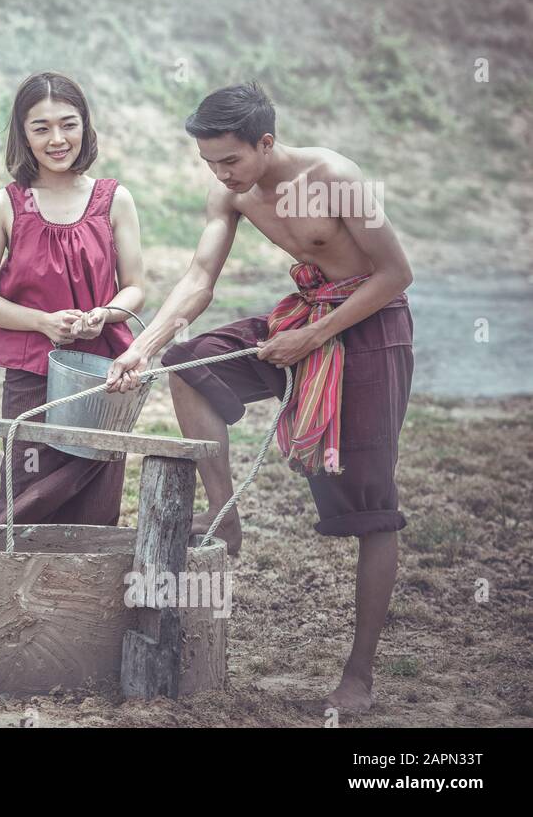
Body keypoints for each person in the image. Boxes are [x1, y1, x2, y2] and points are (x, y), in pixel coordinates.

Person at [104, 82, 414, 711]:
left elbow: (396, 274)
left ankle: (359, 674)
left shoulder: (336, 177)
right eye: (209, 162)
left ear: (265, 143)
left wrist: (316, 336)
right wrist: (141, 348)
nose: (220, 174)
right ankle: (228, 520)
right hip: (305, 317)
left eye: (230, 160)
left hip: (371, 326)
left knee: (371, 504)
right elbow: (198, 279)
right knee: (188, 363)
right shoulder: (232, 191)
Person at [0, 71, 146, 527]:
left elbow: (136, 288)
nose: (57, 139)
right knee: (26, 492)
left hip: (104, 375)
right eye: (40, 128)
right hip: (30, 372)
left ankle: (86, 594)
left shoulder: (114, 199)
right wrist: (43, 323)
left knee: (95, 500)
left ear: (84, 125)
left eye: (68, 124)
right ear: (22, 135)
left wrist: (105, 315)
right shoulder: (5, 204)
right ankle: (9, 568)